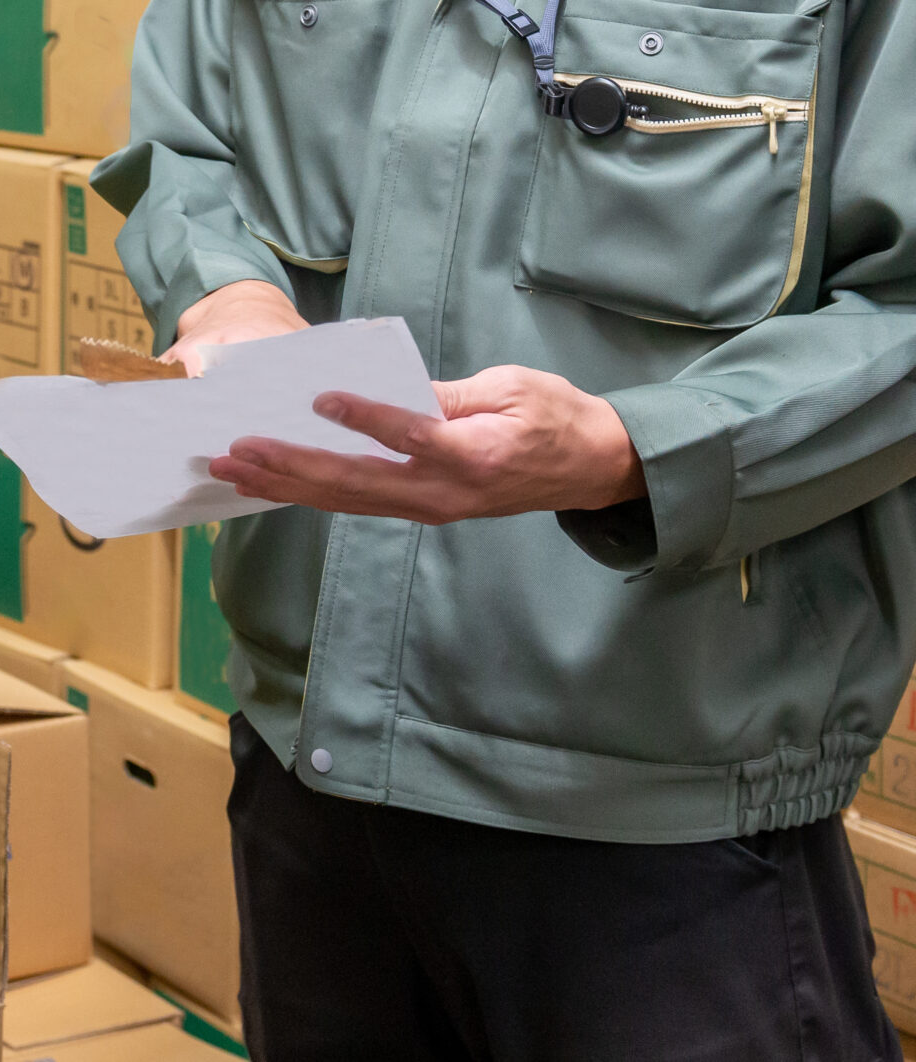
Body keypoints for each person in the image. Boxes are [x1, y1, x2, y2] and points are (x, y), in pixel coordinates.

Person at [93, 0, 916, 1057]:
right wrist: (225, 293)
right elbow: (187, 133)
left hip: (665, 819)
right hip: (307, 767)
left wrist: (631, 450)